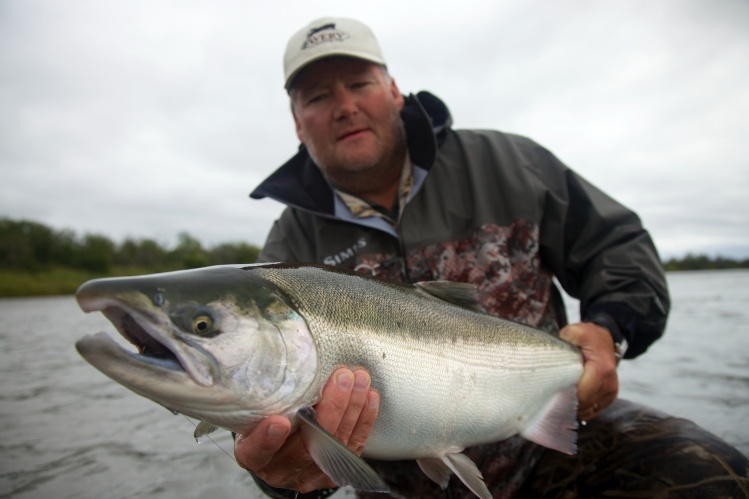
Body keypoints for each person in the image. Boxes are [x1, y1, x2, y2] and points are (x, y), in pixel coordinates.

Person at [236, 17, 749, 498]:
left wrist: (610, 329)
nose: (344, 106)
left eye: (359, 84)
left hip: (551, 444)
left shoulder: (510, 164)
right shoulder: (287, 250)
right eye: (318, 97)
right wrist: (285, 479)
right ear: (298, 125)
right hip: (397, 487)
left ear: (393, 91)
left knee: (712, 475)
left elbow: (616, 247)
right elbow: (261, 408)